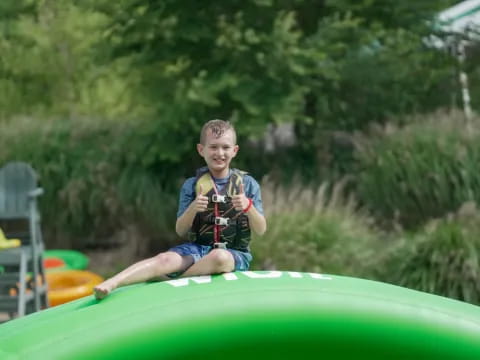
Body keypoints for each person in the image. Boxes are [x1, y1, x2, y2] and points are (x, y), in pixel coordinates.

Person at [94, 119, 267, 299]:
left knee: (219, 258)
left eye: (225, 147)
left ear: (234, 150)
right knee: (164, 259)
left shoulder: (248, 185)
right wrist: (193, 208)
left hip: (234, 255)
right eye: (213, 147)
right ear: (201, 150)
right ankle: (113, 282)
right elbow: (180, 229)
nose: (220, 153)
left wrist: (248, 207)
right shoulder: (192, 185)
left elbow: (261, 229)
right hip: (198, 249)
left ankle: (175, 280)